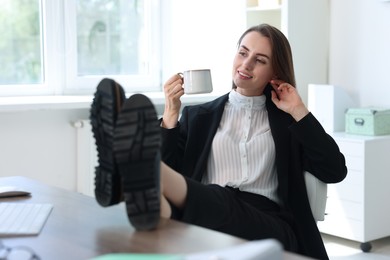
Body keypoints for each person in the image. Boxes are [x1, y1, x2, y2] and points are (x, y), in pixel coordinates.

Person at [90, 23, 347, 260]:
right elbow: (173, 168)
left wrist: (299, 111)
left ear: (275, 72)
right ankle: (146, 184)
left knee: (217, 201)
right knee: (165, 209)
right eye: (242, 53)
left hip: (270, 224)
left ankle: (133, 167)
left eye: (259, 60)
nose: (245, 65)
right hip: (205, 210)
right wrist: (170, 114)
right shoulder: (198, 116)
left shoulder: (288, 123)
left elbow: (334, 170)